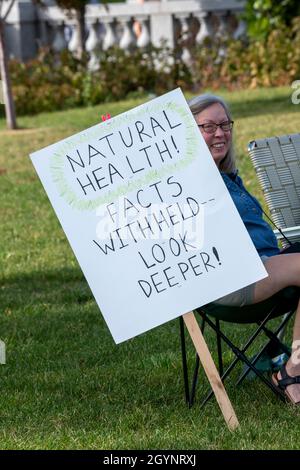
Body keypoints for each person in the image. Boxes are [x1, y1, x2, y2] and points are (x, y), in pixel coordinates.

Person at [188, 93, 300, 405]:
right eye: (208, 127)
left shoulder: (229, 179)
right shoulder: (187, 185)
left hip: (265, 268)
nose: (220, 133)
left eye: (224, 124)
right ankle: (291, 371)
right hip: (230, 280)